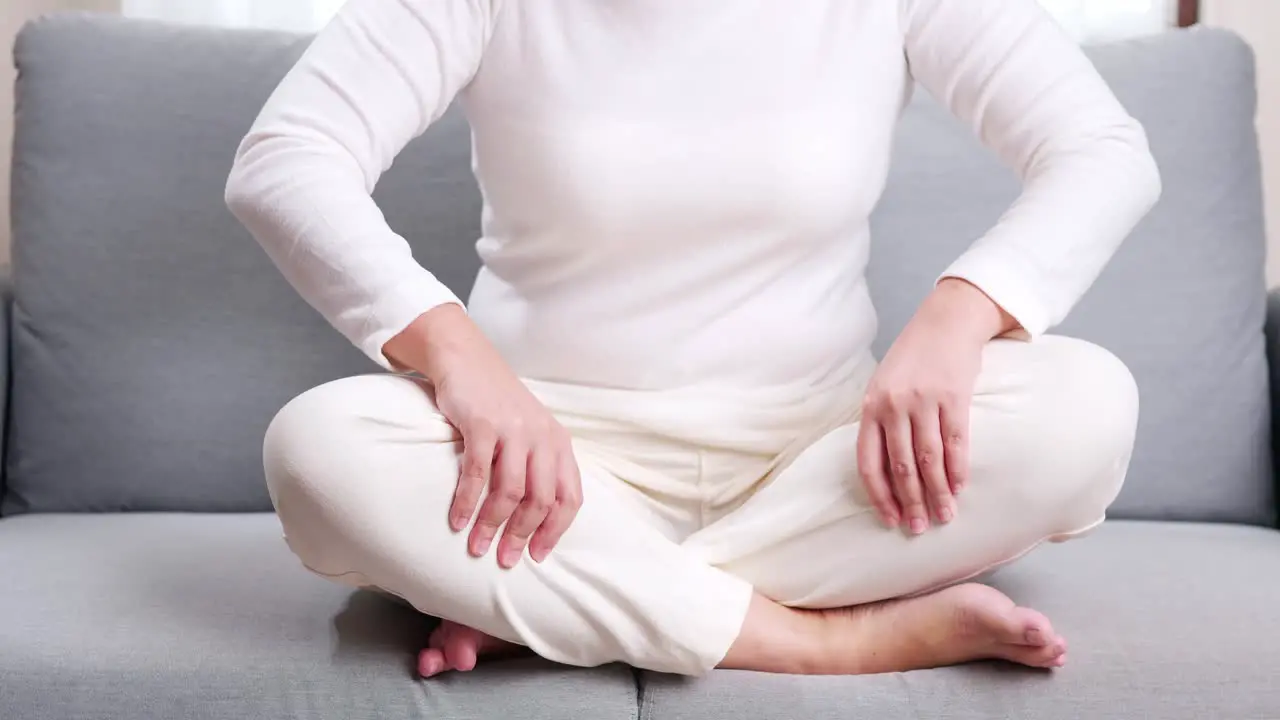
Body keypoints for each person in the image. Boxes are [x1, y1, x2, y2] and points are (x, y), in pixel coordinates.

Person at [225, 0, 1161, 680]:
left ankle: (576, 607)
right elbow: (286, 161)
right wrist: (462, 360)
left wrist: (961, 313)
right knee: (319, 451)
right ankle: (823, 638)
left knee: (1088, 406)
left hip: (821, 458)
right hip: (544, 475)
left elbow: (1102, 151)